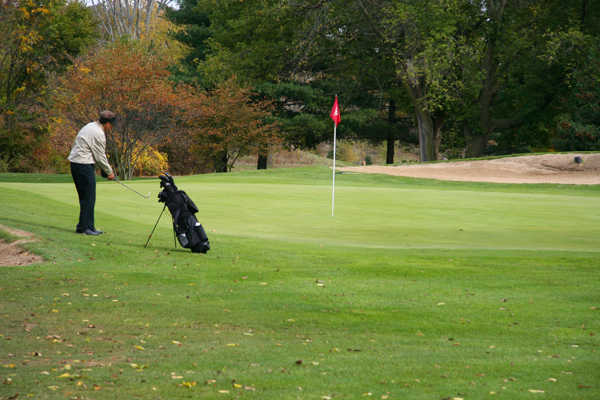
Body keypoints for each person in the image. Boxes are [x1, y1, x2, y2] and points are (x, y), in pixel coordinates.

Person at [67, 110, 116, 235]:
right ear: (108, 123)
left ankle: (87, 226)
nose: (111, 128)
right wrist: (109, 172)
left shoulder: (90, 126)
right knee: (89, 197)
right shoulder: (98, 133)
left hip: (77, 163)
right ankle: (85, 228)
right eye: (112, 125)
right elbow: (100, 156)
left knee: (86, 197)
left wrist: (104, 171)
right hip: (83, 165)